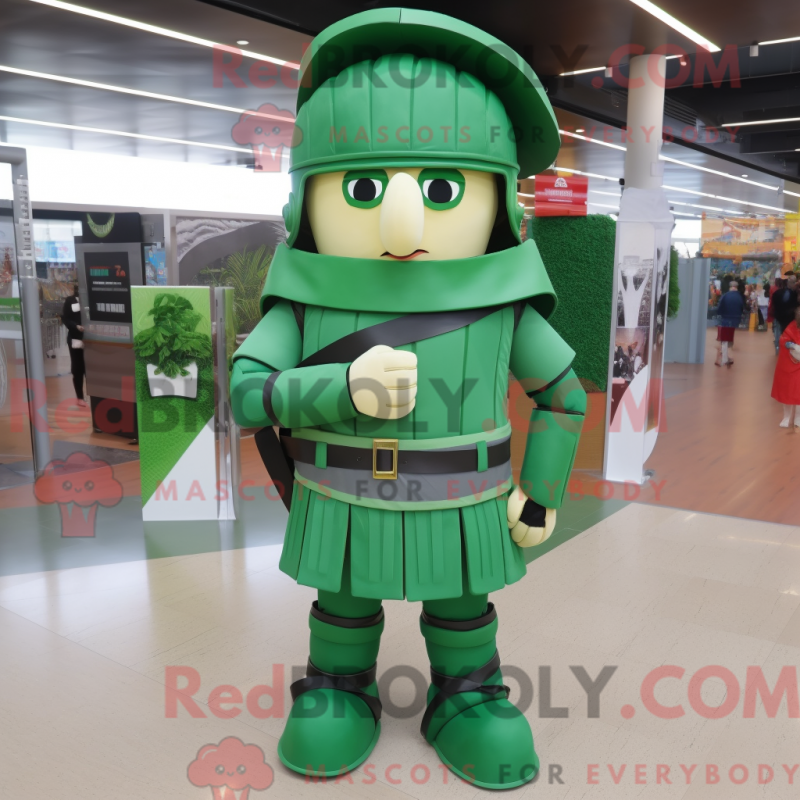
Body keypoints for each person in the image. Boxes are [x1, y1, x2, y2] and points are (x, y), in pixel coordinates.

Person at [229, 9, 585, 789]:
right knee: (343, 602)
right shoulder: (304, 301)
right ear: (306, 198)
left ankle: (468, 695)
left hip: (464, 504)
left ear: (499, 200)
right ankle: (338, 686)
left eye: (442, 187)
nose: (401, 224)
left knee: (462, 604)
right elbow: (248, 397)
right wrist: (342, 387)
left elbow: (562, 396)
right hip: (339, 500)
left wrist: (541, 492)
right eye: (361, 188)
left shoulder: (503, 304)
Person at [772, 306, 800, 427]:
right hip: (789, 363)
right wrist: (790, 344)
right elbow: (783, 339)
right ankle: (787, 417)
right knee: (787, 392)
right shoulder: (792, 327)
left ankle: (798, 418)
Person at [61, 285, 86, 407]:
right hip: (76, 338)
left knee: (90, 368)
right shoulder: (70, 301)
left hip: (91, 339)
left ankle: (94, 395)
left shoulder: (90, 300)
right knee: (77, 368)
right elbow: (65, 318)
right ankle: (80, 397)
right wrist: (76, 326)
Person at [716, 280, 745, 367]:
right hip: (735, 319)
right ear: (736, 287)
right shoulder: (740, 296)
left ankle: (725, 358)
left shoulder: (725, 295)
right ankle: (728, 356)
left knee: (724, 339)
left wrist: (719, 314)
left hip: (725, 319)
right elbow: (742, 308)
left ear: (730, 287)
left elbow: (720, 307)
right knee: (730, 337)